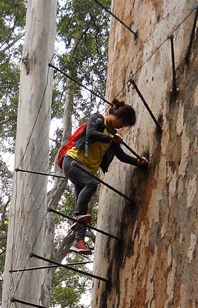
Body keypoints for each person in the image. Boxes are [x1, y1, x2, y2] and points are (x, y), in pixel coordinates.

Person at [61, 99, 148, 255]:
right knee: (92, 184)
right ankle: (76, 216)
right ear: (120, 118)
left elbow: (121, 156)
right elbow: (91, 134)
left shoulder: (112, 135)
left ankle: (79, 241)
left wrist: (138, 161)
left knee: (85, 207)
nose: (122, 127)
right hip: (73, 162)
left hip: (85, 169)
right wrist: (110, 138)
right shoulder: (98, 119)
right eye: (124, 124)